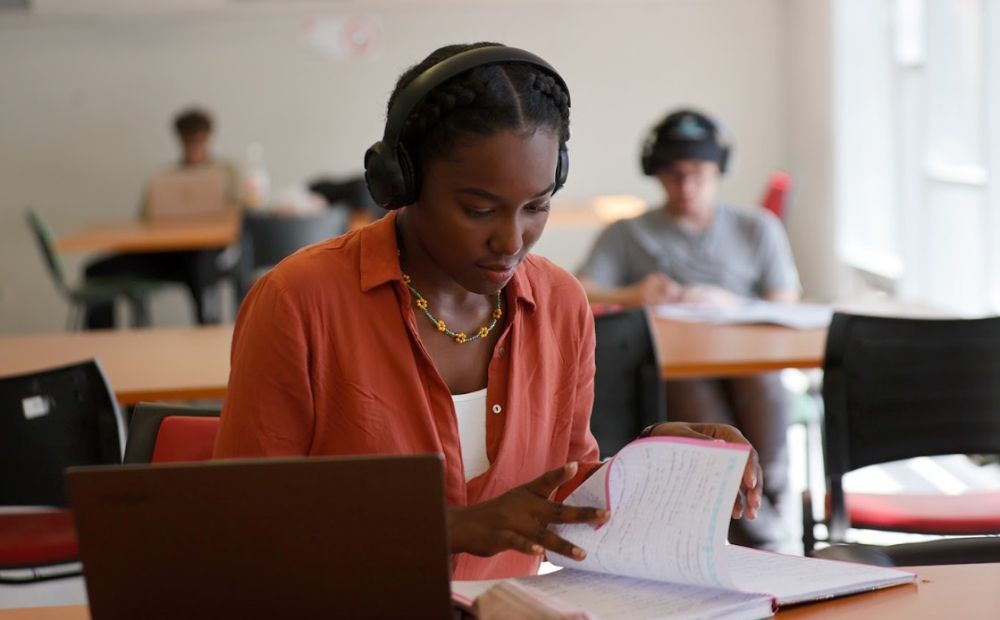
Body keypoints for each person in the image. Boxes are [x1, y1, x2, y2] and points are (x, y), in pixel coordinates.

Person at [213, 44, 762, 580]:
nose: (511, 240)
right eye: (478, 210)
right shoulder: (299, 301)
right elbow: (250, 523)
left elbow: (561, 491)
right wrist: (451, 528)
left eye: (537, 206)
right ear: (401, 182)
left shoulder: (560, 303)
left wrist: (662, 463)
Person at [576, 108, 801, 553]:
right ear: (657, 175)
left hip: (749, 363)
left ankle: (766, 525)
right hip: (679, 367)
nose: (686, 186)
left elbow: (786, 302)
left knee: (764, 393)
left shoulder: (758, 228)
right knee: (711, 427)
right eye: (673, 174)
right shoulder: (628, 233)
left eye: (697, 172)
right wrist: (634, 292)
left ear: (718, 170)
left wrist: (731, 302)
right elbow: (578, 287)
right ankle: (770, 540)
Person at [82, 107, 244, 328]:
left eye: (199, 141)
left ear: (209, 138)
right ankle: (98, 341)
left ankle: (207, 333)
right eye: (188, 141)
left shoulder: (227, 172)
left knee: (201, 269)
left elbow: (243, 213)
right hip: (167, 253)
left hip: (207, 252)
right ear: (179, 139)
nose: (194, 147)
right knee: (97, 270)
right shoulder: (164, 178)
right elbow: (144, 221)